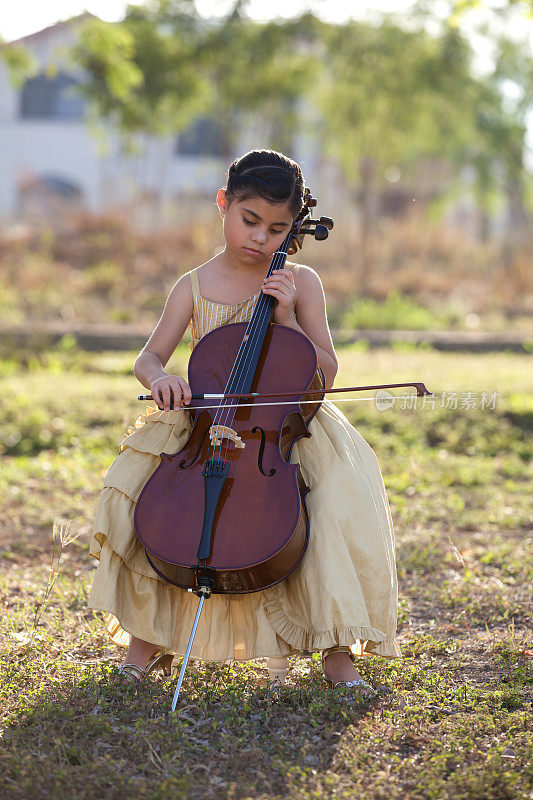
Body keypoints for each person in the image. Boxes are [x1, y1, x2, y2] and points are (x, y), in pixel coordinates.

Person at [88, 149, 401, 698]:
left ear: (293, 230)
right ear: (223, 204)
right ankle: (147, 642)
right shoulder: (193, 285)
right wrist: (162, 380)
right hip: (204, 425)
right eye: (249, 220)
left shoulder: (301, 283)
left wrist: (285, 322)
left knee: (325, 509)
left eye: (279, 229)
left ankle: (335, 653)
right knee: (155, 507)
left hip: (283, 430)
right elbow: (148, 358)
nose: (261, 238)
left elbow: (324, 371)